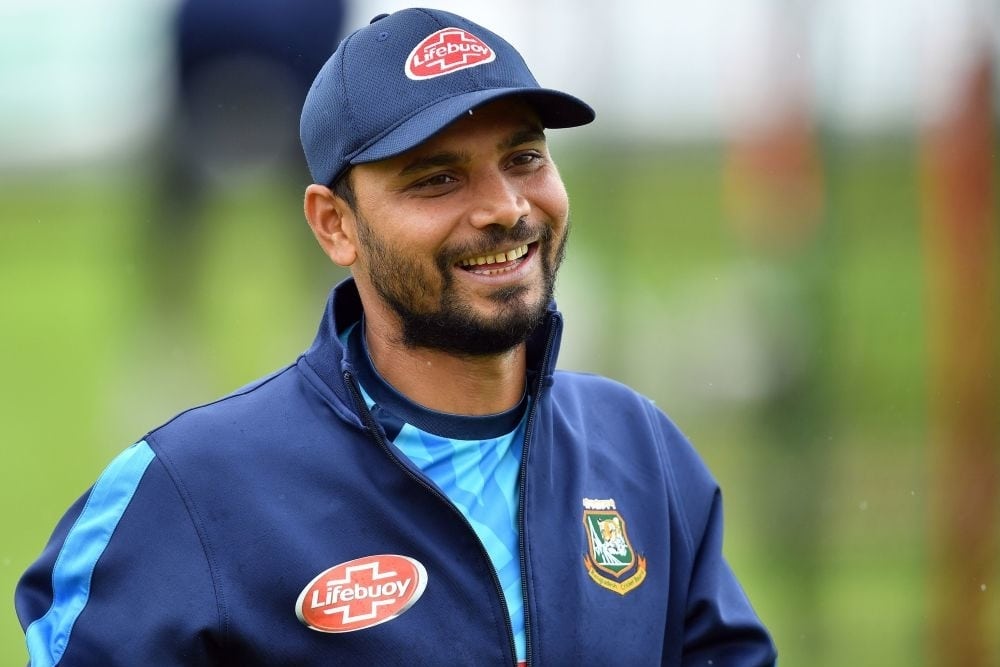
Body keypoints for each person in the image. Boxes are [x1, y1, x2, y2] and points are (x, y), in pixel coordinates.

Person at [16, 8, 777, 666]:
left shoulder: (643, 453)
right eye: (437, 179)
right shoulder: (189, 493)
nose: (506, 207)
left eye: (524, 158)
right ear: (334, 225)